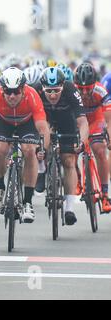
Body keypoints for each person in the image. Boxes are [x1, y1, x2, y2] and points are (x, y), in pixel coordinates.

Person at [0, 67, 50, 223]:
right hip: (4, 122)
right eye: (8, 91)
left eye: (16, 91)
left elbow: (42, 127)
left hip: (27, 123)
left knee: (29, 150)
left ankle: (27, 202)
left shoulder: (32, 95)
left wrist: (42, 148)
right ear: (2, 89)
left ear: (23, 89)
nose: (12, 96)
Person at [35, 67, 89, 225]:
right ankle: (42, 169)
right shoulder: (35, 89)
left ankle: (69, 208)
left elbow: (83, 122)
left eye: (56, 90)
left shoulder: (71, 90)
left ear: (63, 86)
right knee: (38, 146)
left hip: (67, 121)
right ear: (42, 87)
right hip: (45, 119)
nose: (52, 95)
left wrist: (82, 141)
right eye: (49, 91)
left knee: (69, 161)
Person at [74, 62, 111, 212]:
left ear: (94, 84)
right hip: (77, 121)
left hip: (96, 120)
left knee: (100, 150)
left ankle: (105, 194)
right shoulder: (71, 91)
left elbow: (108, 120)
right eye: (80, 88)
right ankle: (77, 179)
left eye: (87, 89)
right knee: (69, 149)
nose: (83, 92)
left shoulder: (101, 92)